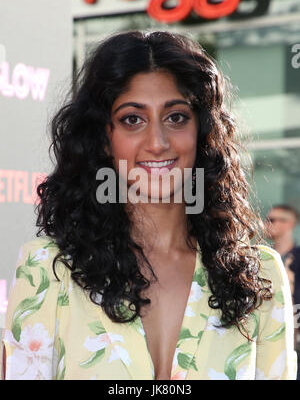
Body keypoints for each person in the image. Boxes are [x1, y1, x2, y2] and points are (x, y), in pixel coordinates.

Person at [0, 30, 297, 380]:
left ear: (202, 133)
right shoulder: (48, 270)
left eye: (176, 117)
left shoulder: (257, 277)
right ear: (104, 138)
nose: (157, 142)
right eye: (132, 119)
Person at [265, 204, 300, 379]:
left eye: (272, 220)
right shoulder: (261, 256)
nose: (267, 224)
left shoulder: (298, 258)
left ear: (289, 223)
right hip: (267, 330)